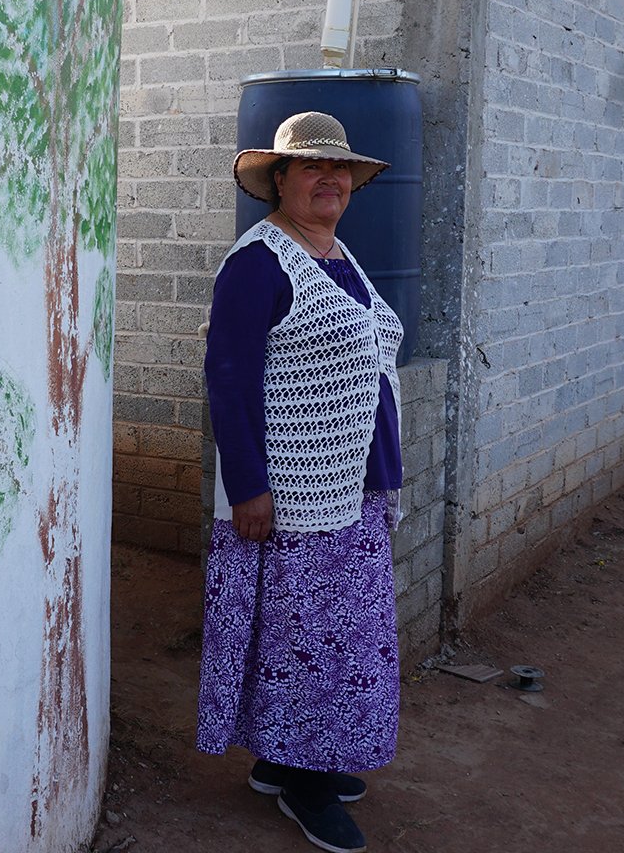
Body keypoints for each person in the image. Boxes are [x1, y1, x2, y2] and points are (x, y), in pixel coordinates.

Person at [198, 111, 404, 853]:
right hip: (292, 497)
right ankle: (308, 782)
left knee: (322, 640)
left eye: (342, 169)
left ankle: (284, 763)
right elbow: (228, 376)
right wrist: (248, 485)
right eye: (314, 168)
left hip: (349, 485)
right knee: (314, 643)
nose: (332, 180)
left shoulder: (336, 253)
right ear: (277, 180)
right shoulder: (258, 262)